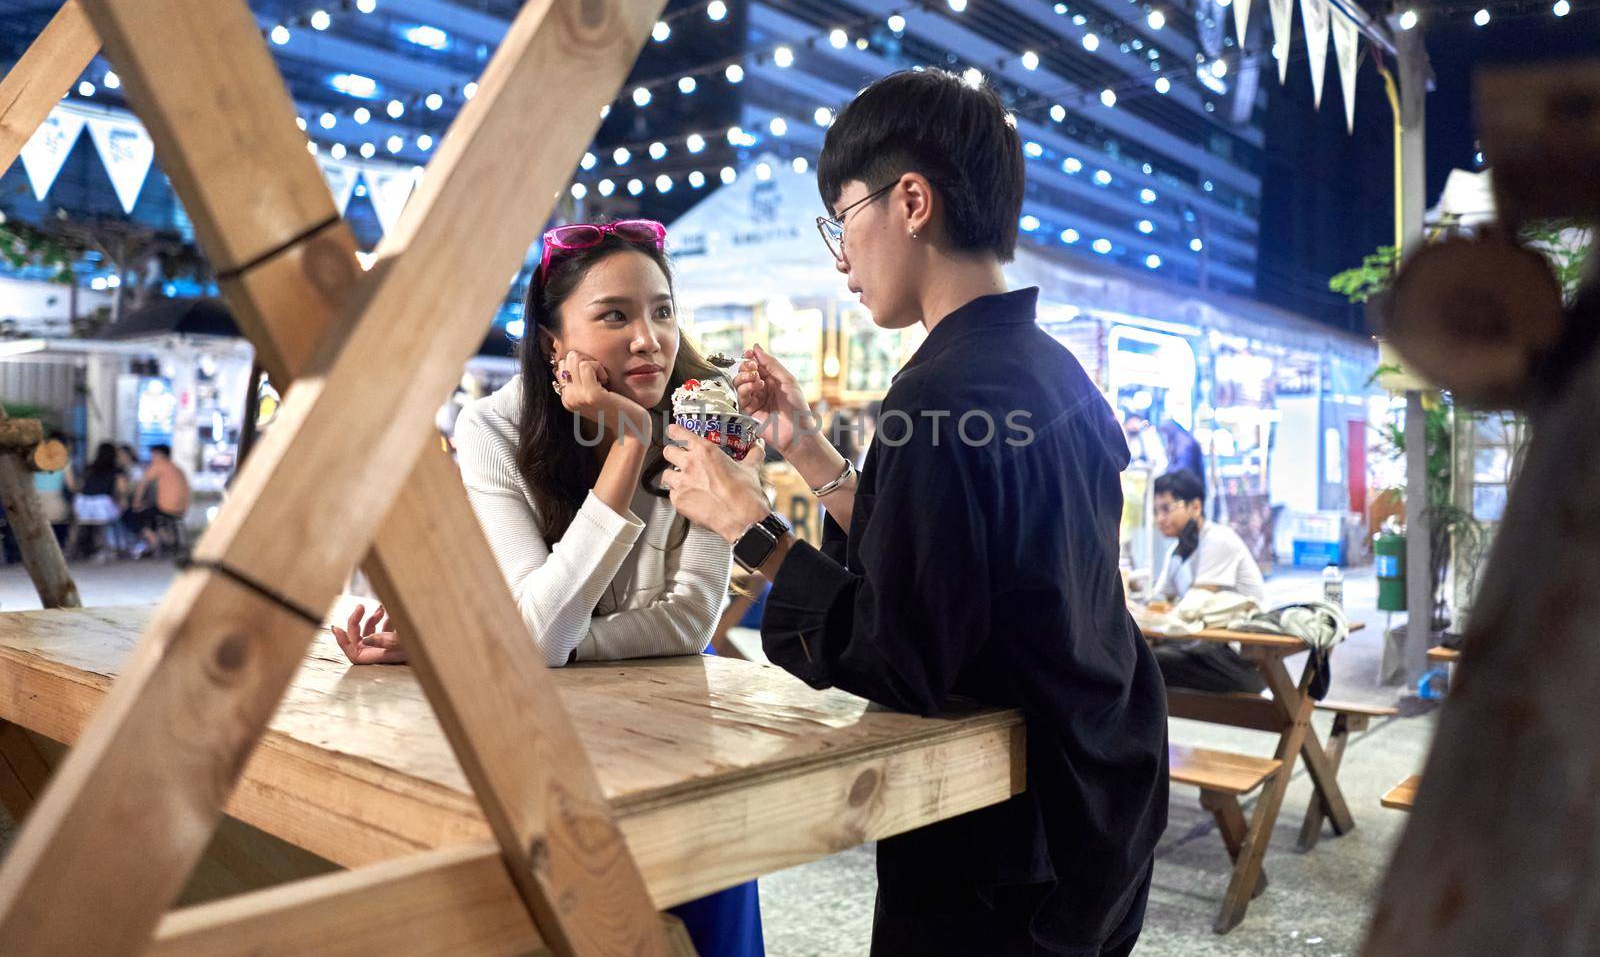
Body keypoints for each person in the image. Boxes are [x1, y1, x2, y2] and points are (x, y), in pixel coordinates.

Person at [658, 69, 1168, 956]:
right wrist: (807, 448)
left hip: (1006, 847)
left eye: (841, 217)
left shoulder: (937, 394)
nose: (840, 257)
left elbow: (903, 651)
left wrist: (752, 524)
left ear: (913, 201)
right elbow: (962, 561)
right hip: (1103, 791)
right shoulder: (1054, 374)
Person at [330, 218, 763, 957]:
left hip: (682, 734)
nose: (648, 338)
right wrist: (627, 442)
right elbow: (535, 639)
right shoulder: (493, 430)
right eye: (614, 315)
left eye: (662, 310)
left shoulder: (706, 417)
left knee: (706, 931)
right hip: (542, 741)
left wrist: (501, 640)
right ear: (552, 342)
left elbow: (690, 620)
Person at [1146, 469, 1266, 694]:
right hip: (1203, 648)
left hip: (1242, 661)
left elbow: (1194, 605)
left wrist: (1162, 610)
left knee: (1144, 664)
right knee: (1137, 658)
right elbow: (1158, 599)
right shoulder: (1179, 549)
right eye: (1155, 511)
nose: (1159, 519)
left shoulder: (1218, 540)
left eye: (1167, 509)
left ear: (1196, 507)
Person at [127, 443, 191, 556]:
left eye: (152, 454)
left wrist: (136, 502)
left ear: (158, 454)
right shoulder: (176, 467)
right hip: (180, 509)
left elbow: (143, 483)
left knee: (131, 514)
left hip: (166, 508)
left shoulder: (159, 465)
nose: (151, 457)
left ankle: (153, 540)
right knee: (149, 512)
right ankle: (162, 538)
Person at [70, 442, 125, 560]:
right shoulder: (116, 469)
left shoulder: (89, 467)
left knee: (87, 524)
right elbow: (122, 490)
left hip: (82, 505)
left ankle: (85, 547)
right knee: (120, 512)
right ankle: (115, 546)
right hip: (103, 505)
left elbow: (81, 486)